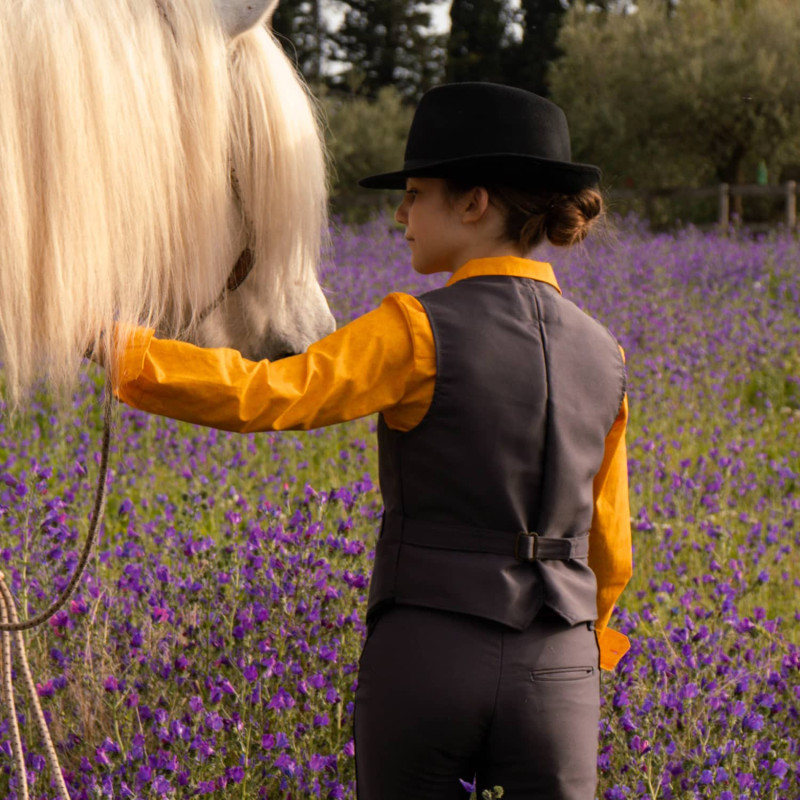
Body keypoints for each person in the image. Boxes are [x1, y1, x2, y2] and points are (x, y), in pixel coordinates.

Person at [104, 83, 631, 800]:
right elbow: (608, 541)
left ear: (473, 203)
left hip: (430, 652)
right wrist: (586, 641)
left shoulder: (415, 329)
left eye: (416, 193)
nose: (401, 215)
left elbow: (267, 394)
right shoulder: (605, 354)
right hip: (561, 661)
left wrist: (128, 356)